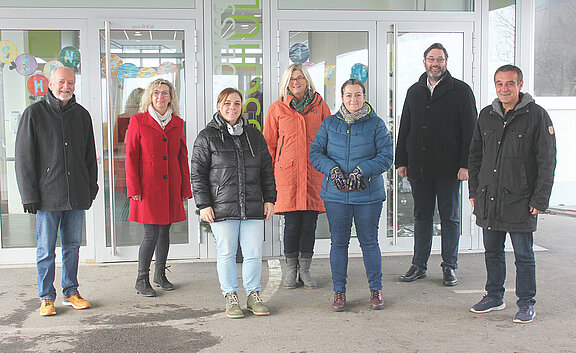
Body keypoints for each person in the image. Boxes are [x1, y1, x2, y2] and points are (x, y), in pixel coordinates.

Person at [468, 65, 556, 324]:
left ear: (520, 85)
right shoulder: (487, 115)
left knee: (524, 256)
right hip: (489, 197)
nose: (504, 89)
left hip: (521, 200)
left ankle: (526, 303)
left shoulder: (537, 116)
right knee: (492, 251)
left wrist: (540, 199)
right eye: (499, 84)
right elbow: (475, 156)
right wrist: (475, 191)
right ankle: (494, 296)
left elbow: (547, 161)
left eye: (509, 84)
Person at [15, 66, 98, 316]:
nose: (66, 87)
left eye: (71, 83)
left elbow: (89, 157)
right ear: (50, 84)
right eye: (61, 82)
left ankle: (71, 291)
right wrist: (29, 195)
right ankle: (46, 297)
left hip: (76, 196)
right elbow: (24, 158)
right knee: (46, 249)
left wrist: (91, 188)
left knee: (73, 247)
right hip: (47, 196)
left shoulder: (82, 115)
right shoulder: (34, 114)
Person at [395, 43, 477, 286]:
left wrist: (466, 165)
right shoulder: (414, 91)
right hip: (419, 167)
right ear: (424, 62)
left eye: (440, 59)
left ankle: (449, 266)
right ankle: (418, 265)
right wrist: (401, 160)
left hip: (450, 169)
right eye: (431, 59)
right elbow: (405, 127)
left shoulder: (461, 91)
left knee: (450, 218)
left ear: (446, 62)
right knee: (421, 216)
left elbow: (470, 131)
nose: (435, 63)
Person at [191, 88, 276, 319]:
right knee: (227, 252)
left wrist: (270, 199)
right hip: (222, 206)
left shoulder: (254, 136)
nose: (232, 107)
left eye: (237, 103)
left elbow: (267, 170)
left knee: (253, 252)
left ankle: (253, 294)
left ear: (242, 107)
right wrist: (203, 204)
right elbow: (197, 174)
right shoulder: (206, 136)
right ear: (219, 106)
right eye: (227, 103)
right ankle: (230, 296)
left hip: (252, 205)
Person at [310, 79, 394, 311]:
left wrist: (362, 171)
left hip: (368, 195)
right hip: (336, 195)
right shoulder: (329, 124)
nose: (353, 100)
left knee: (369, 242)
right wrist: (332, 170)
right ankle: (339, 292)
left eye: (358, 95)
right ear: (342, 97)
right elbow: (315, 153)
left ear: (364, 96)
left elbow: (386, 156)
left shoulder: (376, 124)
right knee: (339, 242)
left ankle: (375, 290)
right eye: (349, 95)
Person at [263, 63, 331, 290]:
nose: (296, 82)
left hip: (313, 173)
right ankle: (291, 270)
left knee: (309, 224)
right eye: (292, 78)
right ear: (286, 82)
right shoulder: (277, 109)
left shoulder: (320, 107)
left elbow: (330, 141)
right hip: (287, 175)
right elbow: (269, 146)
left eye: (300, 77)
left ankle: (305, 270)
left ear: (307, 80)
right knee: (291, 225)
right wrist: (268, 179)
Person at [125, 78, 192, 297]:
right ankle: (141, 279)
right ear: (149, 97)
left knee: (165, 231)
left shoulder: (178, 123)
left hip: (171, 184)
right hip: (148, 186)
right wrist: (133, 186)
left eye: (165, 93)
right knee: (150, 233)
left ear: (171, 97)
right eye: (156, 93)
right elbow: (131, 155)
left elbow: (182, 156)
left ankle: (160, 274)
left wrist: (185, 188)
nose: (160, 97)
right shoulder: (138, 120)